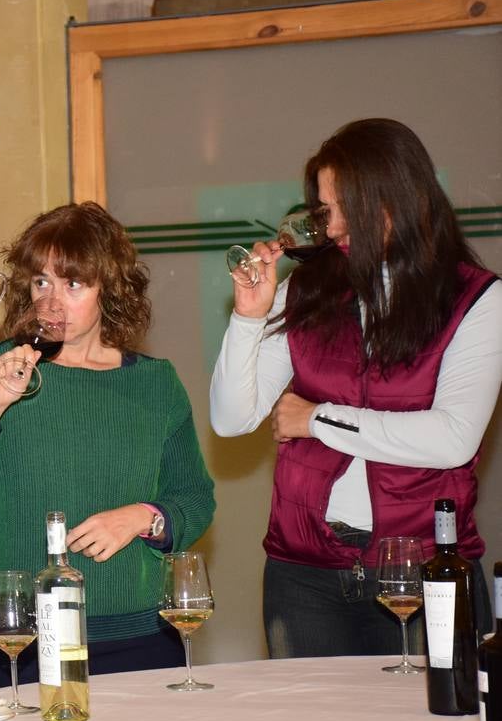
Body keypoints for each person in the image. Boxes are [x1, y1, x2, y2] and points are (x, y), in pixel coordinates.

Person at [210, 117, 501, 659]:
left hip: (424, 568)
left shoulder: (475, 299)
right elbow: (232, 420)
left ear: (396, 199)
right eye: (324, 208)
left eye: (344, 206)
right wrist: (249, 318)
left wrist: (315, 418)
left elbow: (454, 438)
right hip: (304, 573)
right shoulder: (306, 288)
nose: (333, 226)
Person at [0, 202, 216, 693]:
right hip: (13, 639)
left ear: (110, 290)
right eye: (41, 283)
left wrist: (143, 516)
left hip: (134, 638)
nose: (51, 303)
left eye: (73, 284)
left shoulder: (155, 384)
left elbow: (195, 499)